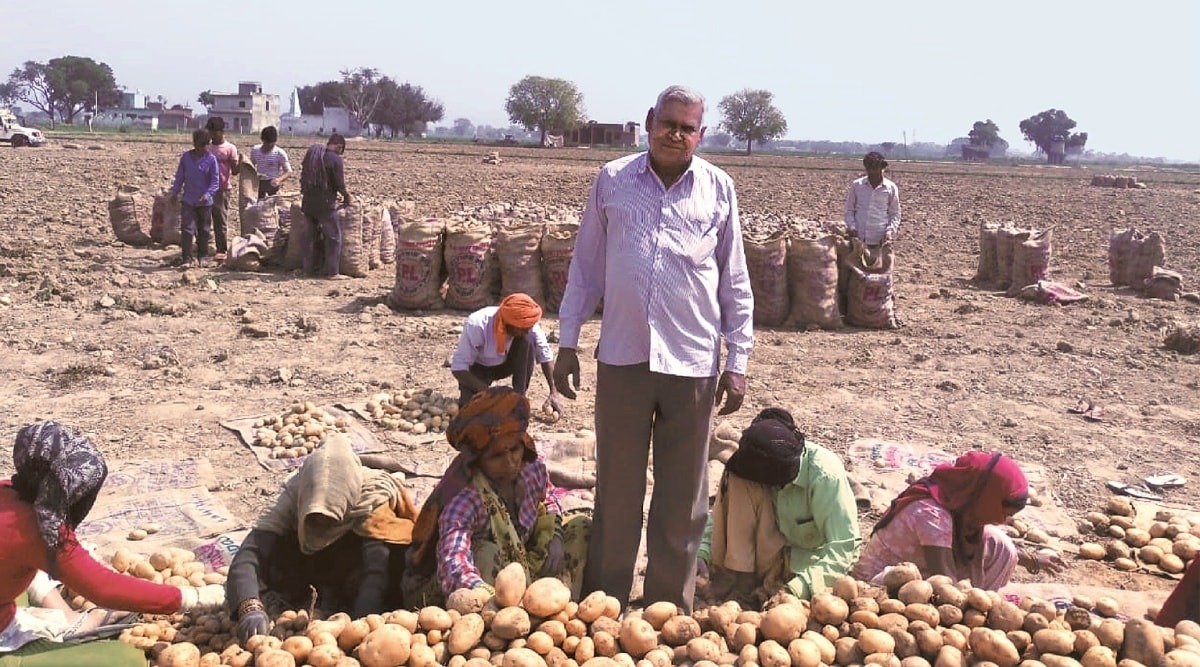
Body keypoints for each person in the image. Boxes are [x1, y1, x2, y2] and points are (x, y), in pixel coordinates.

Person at [553, 84, 754, 613]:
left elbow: (734, 282)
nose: (676, 134)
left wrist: (738, 362)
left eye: (688, 128)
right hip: (622, 356)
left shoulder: (719, 188)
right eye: (668, 123)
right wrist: (568, 341)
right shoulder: (613, 180)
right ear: (649, 121)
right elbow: (586, 268)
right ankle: (606, 600)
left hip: (692, 361)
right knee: (617, 489)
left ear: (700, 135)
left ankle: (668, 605)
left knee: (684, 499)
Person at [1, 422, 224, 666]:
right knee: (123, 660)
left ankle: (69, 618)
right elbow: (103, 589)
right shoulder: (36, 530)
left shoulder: (7, 490)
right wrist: (195, 597)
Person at [402, 387, 590, 607]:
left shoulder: (531, 469)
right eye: (497, 456)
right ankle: (502, 624)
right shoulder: (466, 498)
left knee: (581, 528)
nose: (510, 461)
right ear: (478, 459)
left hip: (520, 565)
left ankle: (559, 607)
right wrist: (483, 594)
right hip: (462, 590)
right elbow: (453, 560)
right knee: (485, 552)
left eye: (514, 449)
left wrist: (556, 537)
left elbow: (548, 499)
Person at [224, 434, 417, 643]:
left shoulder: (373, 496)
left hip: (357, 559)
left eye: (329, 520)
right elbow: (251, 552)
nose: (322, 527)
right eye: (315, 519)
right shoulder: (295, 493)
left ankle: (340, 594)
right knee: (274, 558)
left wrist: (358, 630)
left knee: (394, 570)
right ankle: (322, 590)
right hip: (312, 560)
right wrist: (248, 606)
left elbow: (376, 571)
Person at [697, 408, 861, 607]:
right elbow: (722, 517)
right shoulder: (754, 469)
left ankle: (762, 589)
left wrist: (794, 590)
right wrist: (702, 554)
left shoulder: (825, 476)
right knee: (736, 478)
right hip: (756, 561)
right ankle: (742, 582)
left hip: (802, 567)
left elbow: (844, 546)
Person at [852, 451, 1067, 591]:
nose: (1006, 520)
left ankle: (977, 608)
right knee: (943, 594)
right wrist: (969, 605)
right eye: (1003, 512)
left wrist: (1030, 559)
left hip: (923, 566)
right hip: (878, 583)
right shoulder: (933, 515)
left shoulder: (960, 499)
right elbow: (945, 585)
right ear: (985, 498)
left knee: (1002, 546)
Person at [450, 292, 562, 412]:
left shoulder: (527, 323)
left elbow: (546, 357)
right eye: (522, 329)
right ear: (509, 324)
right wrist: (490, 393)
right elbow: (459, 369)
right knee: (470, 408)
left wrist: (554, 392)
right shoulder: (478, 324)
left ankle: (519, 396)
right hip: (478, 368)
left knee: (526, 341)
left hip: (506, 364)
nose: (526, 330)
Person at [299, 133, 351, 279]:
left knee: (310, 237)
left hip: (308, 202)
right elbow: (340, 185)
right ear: (340, 147)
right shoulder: (335, 159)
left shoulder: (313, 156)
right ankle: (333, 272)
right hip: (325, 204)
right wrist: (347, 197)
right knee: (334, 237)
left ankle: (307, 270)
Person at [168, 128, 220, 268]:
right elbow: (180, 177)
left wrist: (208, 194)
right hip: (189, 199)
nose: (202, 147)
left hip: (205, 202)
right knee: (187, 229)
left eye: (205, 144)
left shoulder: (211, 159)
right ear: (195, 143)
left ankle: (203, 256)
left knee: (203, 230)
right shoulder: (186, 158)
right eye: (200, 144)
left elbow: (215, 182)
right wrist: (174, 192)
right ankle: (187, 258)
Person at [843, 151, 901, 246]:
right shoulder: (857, 185)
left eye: (876, 170)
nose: (872, 174)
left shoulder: (891, 188)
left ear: (882, 168)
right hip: (858, 239)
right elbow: (849, 210)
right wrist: (852, 228)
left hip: (881, 241)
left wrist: (890, 231)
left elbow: (895, 213)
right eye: (869, 170)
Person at [205, 117, 240, 263]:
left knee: (220, 220)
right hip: (205, 189)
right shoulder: (206, 148)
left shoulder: (230, 149)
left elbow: (235, 171)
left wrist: (239, 162)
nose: (212, 135)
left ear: (222, 132)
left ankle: (221, 249)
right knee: (204, 220)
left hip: (222, 189)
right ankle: (203, 248)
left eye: (215, 132)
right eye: (210, 132)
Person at [250, 126, 292, 200]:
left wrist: (279, 180)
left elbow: (288, 171)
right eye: (267, 143)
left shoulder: (280, 153)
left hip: (273, 185)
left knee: (271, 208)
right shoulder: (255, 150)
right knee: (258, 206)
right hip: (259, 184)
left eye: (272, 144)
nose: (269, 146)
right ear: (262, 140)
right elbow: (250, 167)